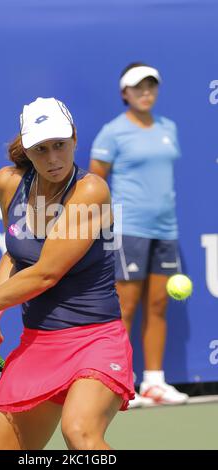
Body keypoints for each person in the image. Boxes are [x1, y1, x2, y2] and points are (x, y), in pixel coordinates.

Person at [0, 97, 135, 450]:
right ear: (28, 150)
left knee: (79, 431)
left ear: (74, 139)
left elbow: (46, 274)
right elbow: (14, 256)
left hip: (95, 340)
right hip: (39, 343)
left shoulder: (91, 190)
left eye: (60, 145)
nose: (53, 158)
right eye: (41, 149)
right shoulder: (9, 183)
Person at [89, 63, 189, 407]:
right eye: (138, 87)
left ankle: (155, 383)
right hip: (129, 228)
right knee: (125, 307)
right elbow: (96, 183)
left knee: (160, 304)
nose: (145, 92)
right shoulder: (113, 132)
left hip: (166, 228)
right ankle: (120, 383)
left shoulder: (168, 127)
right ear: (124, 93)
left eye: (151, 86)